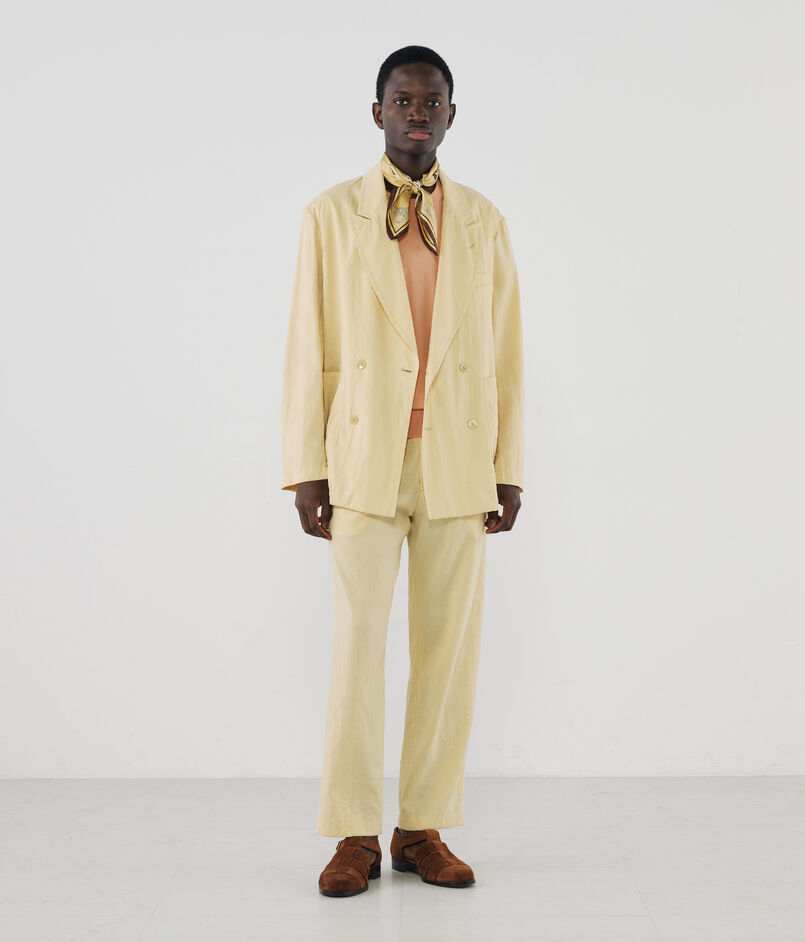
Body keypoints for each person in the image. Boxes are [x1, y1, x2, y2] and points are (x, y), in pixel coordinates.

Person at [280, 44, 524, 897]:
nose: (416, 113)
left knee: (447, 651)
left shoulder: (484, 220)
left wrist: (509, 467)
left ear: (450, 115)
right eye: (402, 99)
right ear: (377, 111)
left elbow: (505, 349)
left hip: (458, 454)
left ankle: (420, 828)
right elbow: (306, 344)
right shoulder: (328, 215)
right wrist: (305, 468)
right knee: (357, 645)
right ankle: (353, 833)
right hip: (361, 457)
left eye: (431, 101)